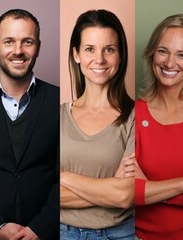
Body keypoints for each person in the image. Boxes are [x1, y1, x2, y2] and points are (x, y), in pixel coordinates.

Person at [59, 9, 135, 240]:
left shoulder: (136, 117)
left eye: (109, 49)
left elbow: (125, 196)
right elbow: (40, 192)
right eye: (90, 49)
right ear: (76, 54)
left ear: (120, 55)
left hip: (120, 234)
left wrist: (62, 177)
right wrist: (111, 186)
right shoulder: (56, 116)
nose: (99, 59)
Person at [132, 14, 183, 239]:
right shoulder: (133, 115)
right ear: (152, 52)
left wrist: (153, 191)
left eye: (181, 54)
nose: (169, 63)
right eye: (163, 51)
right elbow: (130, 192)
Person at [0, 9, 59, 240]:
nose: (18, 51)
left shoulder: (60, 101)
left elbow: (65, 174)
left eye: (27, 42)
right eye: (9, 42)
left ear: (38, 47)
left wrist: (41, 227)